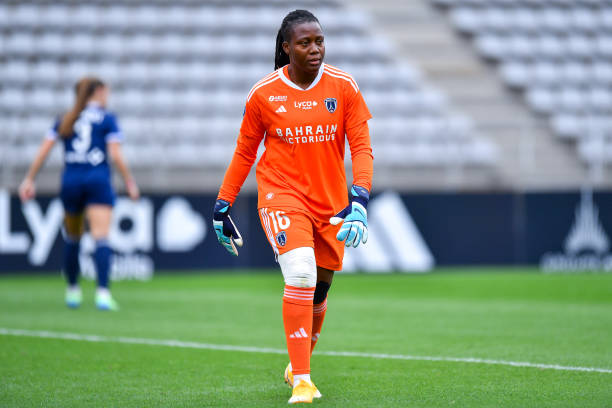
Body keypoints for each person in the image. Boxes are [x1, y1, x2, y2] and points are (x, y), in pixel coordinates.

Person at [213, 10, 373, 404]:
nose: (315, 49)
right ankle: (302, 380)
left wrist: (360, 200)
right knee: (301, 274)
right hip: (281, 195)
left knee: (319, 292)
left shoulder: (344, 86)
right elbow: (245, 153)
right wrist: (223, 204)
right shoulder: (264, 94)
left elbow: (361, 147)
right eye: (305, 42)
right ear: (287, 48)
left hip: (331, 203)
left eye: (319, 41)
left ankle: (296, 366)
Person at [19, 77, 139, 311]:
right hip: (97, 181)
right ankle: (102, 294)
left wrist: (29, 179)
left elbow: (44, 150)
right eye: (106, 92)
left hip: (71, 182)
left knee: (73, 237)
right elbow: (115, 155)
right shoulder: (107, 119)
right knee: (101, 237)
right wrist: (129, 181)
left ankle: (73, 290)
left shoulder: (66, 118)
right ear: (99, 92)